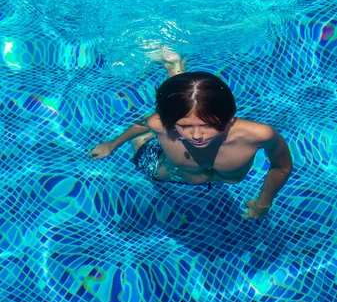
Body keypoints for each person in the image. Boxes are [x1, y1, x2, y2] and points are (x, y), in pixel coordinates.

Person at [88, 51, 292, 220]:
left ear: (230, 118)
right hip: (168, 170)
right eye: (184, 127)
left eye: (208, 125)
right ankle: (173, 66)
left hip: (196, 170)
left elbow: (281, 167)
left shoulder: (259, 135)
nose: (196, 136)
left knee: (185, 105)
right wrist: (112, 145)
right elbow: (144, 125)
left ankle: (174, 66)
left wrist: (263, 203)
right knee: (151, 135)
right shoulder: (159, 122)